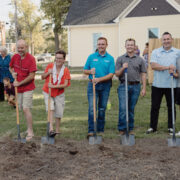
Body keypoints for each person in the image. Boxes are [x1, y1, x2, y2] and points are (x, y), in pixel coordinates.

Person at [146, 32, 180, 134]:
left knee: (171, 107)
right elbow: (153, 66)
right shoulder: (156, 52)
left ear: (171, 39)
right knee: (155, 106)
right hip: (157, 84)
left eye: (168, 39)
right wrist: (167, 67)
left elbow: (179, 71)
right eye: (164, 39)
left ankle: (171, 127)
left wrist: (175, 74)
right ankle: (153, 127)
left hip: (172, 85)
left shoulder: (178, 52)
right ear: (162, 41)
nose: (166, 41)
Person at [84, 37, 115, 138]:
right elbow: (85, 70)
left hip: (105, 85)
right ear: (97, 45)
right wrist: (90, 72)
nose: (101, 46)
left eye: (103, 44)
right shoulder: (91, 57)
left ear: (106, 45)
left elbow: (111, 74)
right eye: (99, 44)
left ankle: (100, 129)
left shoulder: (110, 58)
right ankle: (91, 130)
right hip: (92, 85)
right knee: (92, 108)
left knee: (102, 108)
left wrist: (99, 79)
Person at [115, 38, 146, 135]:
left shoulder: (140, 60)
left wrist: (144, 88)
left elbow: (143, 74)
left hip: (136, 86)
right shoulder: (120, 59)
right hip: (123, 85)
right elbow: (117, 74)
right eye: (128, 45)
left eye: (131, 45)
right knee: (123, 108)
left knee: (131, 108)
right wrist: (123, 68)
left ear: (134, 46)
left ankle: (130, 127)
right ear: (125, 46)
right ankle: (122, 128)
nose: (130, 46)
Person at [9, 39, 37, 141]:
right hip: (18, 88)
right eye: (18, 48)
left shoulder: (31, 59)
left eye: (22, 47)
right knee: (21, 108)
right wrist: (12, 73)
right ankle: (27, 129)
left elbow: (32, 76)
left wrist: (19, 83)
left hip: (28, 87)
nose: (20, 49)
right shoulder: (15, 57)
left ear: (26, 47)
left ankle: (30, 131)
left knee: (26, 108)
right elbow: (10, 67)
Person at [41, 50, 71, 136]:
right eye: (57, 58)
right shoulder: (50, 66)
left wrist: (53, 86)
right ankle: (51, 129)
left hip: (59, 93)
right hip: (48, 92)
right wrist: (48, 73)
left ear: (64, 59)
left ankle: (57, 129)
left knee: (59, 111)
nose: (58, 60)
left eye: (60, 58)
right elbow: (42, 77)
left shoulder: (65, 70)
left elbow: (65, 84)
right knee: (50, 108)